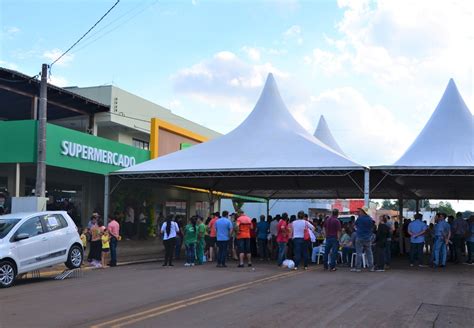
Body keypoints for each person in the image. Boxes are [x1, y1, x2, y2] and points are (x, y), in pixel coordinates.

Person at [351, 207, 375, 272]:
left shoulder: (360, 218)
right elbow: (372, 227)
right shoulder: (370, 219)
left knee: (359, 253)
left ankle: (358, 268)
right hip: (368, 238)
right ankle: (371, 267)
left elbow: (354, 225)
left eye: (360, 211)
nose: (359, 212)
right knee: (369, 253)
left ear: (363, 211)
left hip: (360, 237)